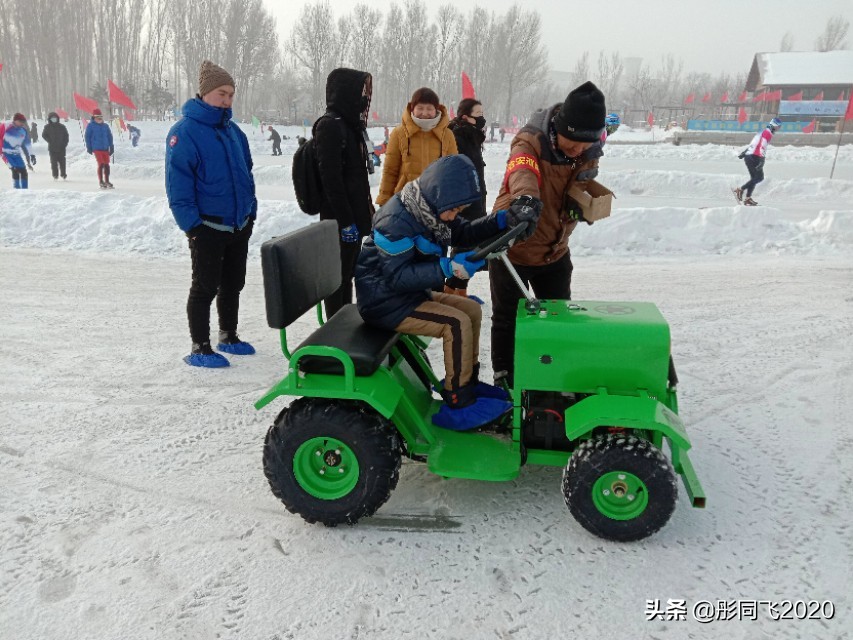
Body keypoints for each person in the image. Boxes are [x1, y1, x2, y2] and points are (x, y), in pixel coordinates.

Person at [356, 155, 537, 431]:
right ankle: (458, 399)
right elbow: (398, 276)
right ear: (438, 196)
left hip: (410, 295)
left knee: (471, 310)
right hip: (385, 303)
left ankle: (468, 381)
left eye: (459, 209)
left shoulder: (429, 210)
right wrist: (448, 268)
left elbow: (462, 233)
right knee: (455, 323)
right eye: (453, 210)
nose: (455, 216)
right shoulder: (394, 221)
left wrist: (502, 220)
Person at [489, 81, 610, 388]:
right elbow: (522, 170)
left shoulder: (588, 150)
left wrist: (582, 206)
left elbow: (579, 184)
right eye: (573, 142)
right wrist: (526, 201)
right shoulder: (530, 142)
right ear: (560, 128)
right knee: (508, 319)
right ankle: (505, 376)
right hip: (513, 246)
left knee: (558, 317)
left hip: (555, 249)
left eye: (585, 145)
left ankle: (555, 376)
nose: (578, 150)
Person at [165, 60, 258, 368]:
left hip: (237, 224)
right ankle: (200, 346)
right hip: (207, 225)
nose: (227, 100)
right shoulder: (184, 133)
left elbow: (247, 172)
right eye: (222, 93)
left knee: (233, 283)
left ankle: (228, 335)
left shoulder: (234, 132)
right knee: (205, 285)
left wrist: (250, 212)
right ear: (205, 93)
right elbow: (178, 185)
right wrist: (192, 225)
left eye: (231, 94)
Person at [313, 67, 375, 318]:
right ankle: (333, 331)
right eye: (359, 92)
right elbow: (331, 181)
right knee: (336, 279)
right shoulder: (329, 126)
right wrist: (346, 222)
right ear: (345, 93)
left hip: (354, 218)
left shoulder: (352, 126)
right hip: (338, 220)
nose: (364, 98)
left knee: (347, 275)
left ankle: (344, 323)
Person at [376, 87, 457, 207]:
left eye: (429, 108)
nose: (424, 113)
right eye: (420, 108)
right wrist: (384, 201)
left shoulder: (447, 135)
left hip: (436, 203)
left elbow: (453, 172)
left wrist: (455, 203)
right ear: (412, 108)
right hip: (404, 202)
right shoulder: (399, 133)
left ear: (436, 109)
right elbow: (390, 170)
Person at [445, 98, 488, 297]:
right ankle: (453, 292)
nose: (482, 119)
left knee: (469, 248)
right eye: (478, 115)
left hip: (475, 199)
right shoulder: (458, 137)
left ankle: (456, 290)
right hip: (464, 203)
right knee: (464, 250)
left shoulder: (472, 136)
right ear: (465, 117)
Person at [734, 117, 781, 206]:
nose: (779, 128)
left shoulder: (762, 131)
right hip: (754, 157)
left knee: (754, 178)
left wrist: (744, 153)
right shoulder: (768, 133)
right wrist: (762, 160)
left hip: (749, 156)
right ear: (774, 125)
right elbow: (762, 146)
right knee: (759, 177)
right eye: (778, 126)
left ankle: (747, 198)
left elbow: (754, 144)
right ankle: (740, 190)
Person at [1, 113, 36, 188]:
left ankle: (25, 190)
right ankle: (17, 191)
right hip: (6, 153)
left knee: (23, 171)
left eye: (23, 122)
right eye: (20, 121)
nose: (22, 123)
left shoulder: (23, 130)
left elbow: (27, 143)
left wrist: (32, 154)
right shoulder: (5, 126)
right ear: (15, 120)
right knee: (15, 170)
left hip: (17, 154)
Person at [84, 109, 114, 188]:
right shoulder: (91, 126)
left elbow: (109, 136)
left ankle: (107, 181)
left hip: (105, 148)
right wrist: (89, 147)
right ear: (94, 117)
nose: (99, 119)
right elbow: (87, 137)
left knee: (107, 165)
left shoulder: (105, 126)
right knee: (101, 163)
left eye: (101, 117)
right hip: (97, 148)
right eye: (97, 117)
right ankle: (101, 181)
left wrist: (111, 146)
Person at [42, 111, 69, 180]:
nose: (54, 119)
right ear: (50, 119)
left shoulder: (62, 127)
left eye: (55, 118)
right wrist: (49, 140)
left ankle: (63, 174)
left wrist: (64, 144)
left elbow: (66, 136)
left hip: (61, 148)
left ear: (57, 118)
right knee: (54, 163)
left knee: (62, 162)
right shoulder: (47, 127)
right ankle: (55, 175)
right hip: (52, 148)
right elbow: (44, 135)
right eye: (52, 118)